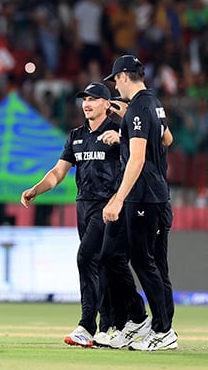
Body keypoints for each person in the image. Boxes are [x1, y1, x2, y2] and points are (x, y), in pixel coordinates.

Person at [21, 82, 122, 347]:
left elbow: (140, 160)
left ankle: (89, 325)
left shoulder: (118, 133)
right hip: (84, 205)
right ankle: (110, 325)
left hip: (109, 205)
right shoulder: (76, 135)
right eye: (84, 99)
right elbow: (58, 173)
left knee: (86, 257)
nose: (86, 103)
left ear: (107, 105)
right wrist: (36, 189)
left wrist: (119, 201)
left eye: (93, 99)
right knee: (99, 264)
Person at [101, 54, 178, 351]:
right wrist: (130, 125)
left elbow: (137, 158)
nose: (115, 87)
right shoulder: (152, 104)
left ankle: (163, 330)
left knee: (145, 263)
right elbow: (167, 139)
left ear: (122, 76)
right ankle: (138, 319)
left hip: (145, 195)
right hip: (149, 193)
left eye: (115, 80)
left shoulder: (138, 108)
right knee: (113, 255)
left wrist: (117, 199)